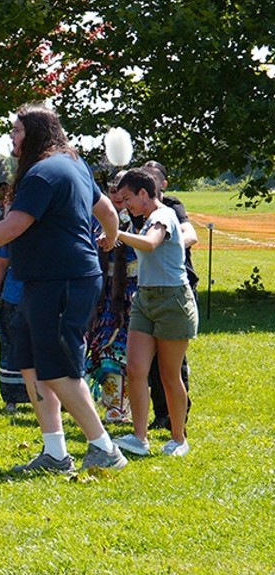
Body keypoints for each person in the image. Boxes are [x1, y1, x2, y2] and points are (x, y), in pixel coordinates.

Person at [0, 105, 128, 474]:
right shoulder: (75, 164)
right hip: (46, 281)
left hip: (62, 280)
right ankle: (55, 453)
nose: (11, 137)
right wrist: (109, 240)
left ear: (36, 133)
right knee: (32, 363)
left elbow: (12, 227)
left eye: (17, 131)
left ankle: (105, 448)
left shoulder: (42, 173)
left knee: (57, 367)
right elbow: (108, 214)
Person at [110, 168, 198, 458]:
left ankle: (178, 439)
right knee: (136, 369)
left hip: (173, 300)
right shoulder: (146, 219)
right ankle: (139, 438)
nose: (124, 204)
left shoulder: (162, 217)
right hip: (145, 299)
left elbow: (150, 244)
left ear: (144, 194)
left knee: (169, 375)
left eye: (127, 198)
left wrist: (116, 233)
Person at [140, 160, 197, 432]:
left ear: (161, 184)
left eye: (152, 178)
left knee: (172, 365)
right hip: (147, 289)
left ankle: (176, 420)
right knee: (147, 363)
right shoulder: (140, 211)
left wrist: (169, 244)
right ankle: (159, 415)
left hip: (175, 285)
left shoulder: (171, 207)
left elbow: (191, 234)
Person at [84, 173, 135, 424]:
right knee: (106, 347)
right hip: (104, 293)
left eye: (122, 191)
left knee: (132, 351)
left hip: (133, 293)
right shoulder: (98, 219)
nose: (116, 195)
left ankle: (129, 406)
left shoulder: (139, 220)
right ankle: (114, 406)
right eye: (112, 190)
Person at [0, 241, 30, 412]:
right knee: (10, 346)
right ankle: (12, 397)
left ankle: (48, 396)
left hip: (45, 297)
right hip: (14, 297)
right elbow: (2, 262)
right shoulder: (13, 230)